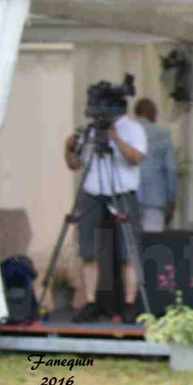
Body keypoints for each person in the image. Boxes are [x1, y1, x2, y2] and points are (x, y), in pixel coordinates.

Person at [64, 108, 147, 323]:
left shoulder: (133, 128)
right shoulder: (90, 131)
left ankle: (130, 304)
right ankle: (91, 302)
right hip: (92, 192)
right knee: (88, 248)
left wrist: (115, 137)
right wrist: (68, 148)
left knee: (128, 251)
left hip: (122, 191)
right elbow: (74, 164)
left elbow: (136, 158)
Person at [133, 98, 177, 232]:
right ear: (152, 113)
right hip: (155, 200)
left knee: (130, 247)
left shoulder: (128, 133)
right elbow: (170, 169)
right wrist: (171, 200)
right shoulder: (163, 134)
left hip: (129, 200)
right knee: (153, 246)